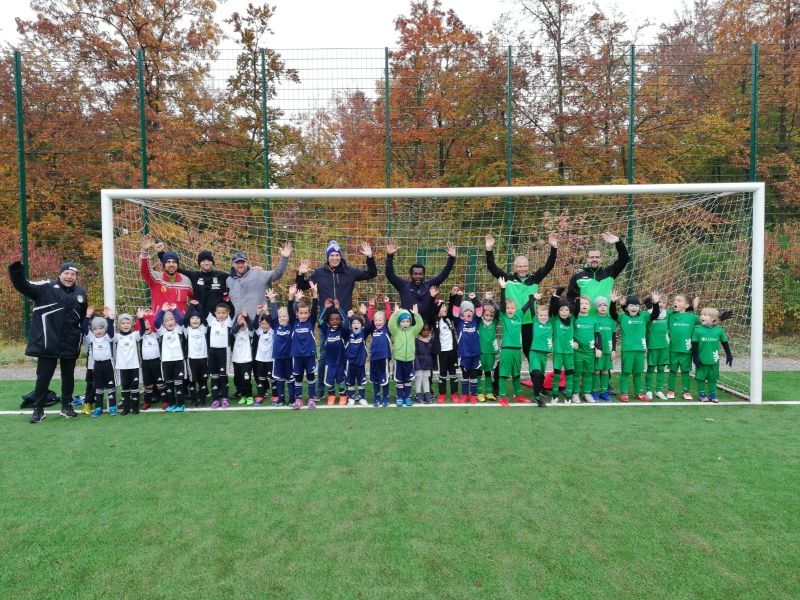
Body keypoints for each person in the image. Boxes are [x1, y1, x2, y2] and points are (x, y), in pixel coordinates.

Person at [296, 240, 377, 402]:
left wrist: (369, 258)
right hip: (326, 323)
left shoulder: (349, 272)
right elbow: (301, 286)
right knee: (325, 355)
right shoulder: (319, 274)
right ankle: (320, 389)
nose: (334, 257)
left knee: (346, 354)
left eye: (337, 254)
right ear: (327, 257)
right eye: (331, 255)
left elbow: (371, 273)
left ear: (341, 256)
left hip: (345, 322)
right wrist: (300, 274)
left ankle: (345, 389)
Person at [8, 260, 88, 423]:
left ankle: (67, 406)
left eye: (73, 274)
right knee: (43, 376)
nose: (69, 276)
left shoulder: (81, 293)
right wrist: (16, 270)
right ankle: (38, 408)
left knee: (69, 377)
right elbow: (23, 285)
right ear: (60, 274)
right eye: (66, 273)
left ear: (76, 277)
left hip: (70, 343)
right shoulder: (46, 287)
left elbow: (82, 316)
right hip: (47, 343)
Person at [485, 232, 558, 357]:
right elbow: (492, 267)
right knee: (509, 350)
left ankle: (535, 375)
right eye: (519, 266)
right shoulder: (508, 278)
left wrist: (554, 247)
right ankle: (498, 375)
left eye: (524, 266)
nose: (522, 269)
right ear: (515, 267)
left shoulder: (535, 278)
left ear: (528, 266)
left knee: (529, 351)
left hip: (528, 321)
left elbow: (549, 266)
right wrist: (489, 249)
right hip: (511, 321)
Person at [385, 240, 456, 323]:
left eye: (420, 274)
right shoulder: (403, 286)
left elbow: (443, 275)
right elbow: (390, 275)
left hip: (426, 327)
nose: (418, 276)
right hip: (408, 326)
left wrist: (451, 259)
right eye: (415, 274)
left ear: (424, 275)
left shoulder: (429, 285)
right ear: (411, 275)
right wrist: (389, 256)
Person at [610, 291, 662, 402]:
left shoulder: (643, 316)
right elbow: (613, 314)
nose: (634, 308)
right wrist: (613, 302)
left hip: (641, 350)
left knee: (638, 373)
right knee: (626, 372)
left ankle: (639, 393)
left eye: (636, 306)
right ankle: (624, 393)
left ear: (639, 307)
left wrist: (656, 303)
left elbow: (655, 315)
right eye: (631, 306)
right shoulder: (622, 317)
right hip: (628, 350)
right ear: (627, 307)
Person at [157, 246, 233, 317]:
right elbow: (175, 269)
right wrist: (161, 254)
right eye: (203, 261)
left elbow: (234, 276)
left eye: (209, 260)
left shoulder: (222, 275)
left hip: (218, 318)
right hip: (199, 318)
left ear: (212, 262)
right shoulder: (193, 275)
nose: (206, 263)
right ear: (199, 263)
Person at [566, 232, 630, 313]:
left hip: (605, 318)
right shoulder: (578, 274)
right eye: (591, 257)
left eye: (597, 257)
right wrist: (575, 312)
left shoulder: (609, 272)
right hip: (584, 319)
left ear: (601, 259)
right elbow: (570, 297)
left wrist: (618, 242)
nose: (594, 259)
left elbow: (624, 259)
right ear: (587, 259)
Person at [227, 243, 292, 320]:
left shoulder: (258, 273)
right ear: (233, 264)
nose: (240, 265)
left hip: (258, 323)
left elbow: (276, 274)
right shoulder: (228, 279)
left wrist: (284, 258)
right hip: (237, 324)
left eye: (242, 262)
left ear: (247, 262)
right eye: (237, 263)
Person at [497, 278, 530, 406]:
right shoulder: (504, 317)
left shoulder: (518, 317)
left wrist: (533, 298)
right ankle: (503, 397)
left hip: (517, 350)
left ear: (515, 309)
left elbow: (526, 306)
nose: (510, 310)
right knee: (504, 374)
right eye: (508, 308)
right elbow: (502, 304)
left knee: (516, 374)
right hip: (506, 350)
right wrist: (503, 288)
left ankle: (518, 395)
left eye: (512, 308)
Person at [692, 307, 733, 403]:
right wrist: (695, 357)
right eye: (702, 314)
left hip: (714, 360)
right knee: (701, 377)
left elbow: (725, 343)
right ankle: (701, 393)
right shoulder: (697, 330)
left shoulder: (719, 330)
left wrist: (729, 355)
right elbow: (694, 345)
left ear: (713, 319)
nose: (702, 316)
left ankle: (712, 394)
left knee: (713, 378)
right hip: (702, 359)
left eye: (705, 315)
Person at [140, 238, 193, 311]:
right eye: (168, 262)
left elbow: (195, 299)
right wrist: (145, 252)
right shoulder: (156, 278)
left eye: (174, 262)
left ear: (177, 265)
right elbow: (145, 270)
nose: (171, 264)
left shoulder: (186, 280)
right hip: (160, 321)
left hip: (180, 321)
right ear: (163, 265)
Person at [388, 303, 424, 407]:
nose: (405, 323)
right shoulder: (396, 331)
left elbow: (420, 325)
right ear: (399, 322)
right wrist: (395, 314)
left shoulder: (413, 331)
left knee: (408, 380)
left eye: (407, 321)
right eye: (403, 321)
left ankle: (407, 397)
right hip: (399, 360)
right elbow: (390, 324)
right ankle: (399, 397)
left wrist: (417, 315)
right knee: (399, 380)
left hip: (409, 359)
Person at [520, 293, 553, 408]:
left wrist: (555, 296)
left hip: (544, 355)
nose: (543, 317)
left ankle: (539, 390)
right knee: (537, 373)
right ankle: (537, 398)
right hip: (534, 352)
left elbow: (555, 310)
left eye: (545, 315)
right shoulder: (535, 322)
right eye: (541, 315)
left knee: (541, 376)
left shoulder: (551, 324)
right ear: (537, 316)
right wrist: (532, 299)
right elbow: (532, 308)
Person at [82, 310, 117, 417]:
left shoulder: (108, 337)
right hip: (97, 366)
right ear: (92, 330)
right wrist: (87, 316)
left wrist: (110, 319)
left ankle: (112, 407)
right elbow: (84, 328)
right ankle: (98, 408)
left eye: (101, 328)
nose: (98, 331)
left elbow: (110, 330)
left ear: (104, 329)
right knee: (99, 388)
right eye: (95, 329)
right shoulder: (91, 338)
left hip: (108, 365)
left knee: (111, 387)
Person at [290, 283, 319, 409]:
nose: (303, 315)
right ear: (297, 313)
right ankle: (299, 399)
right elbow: (289, 309)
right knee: (298, 378)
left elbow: (315, 308)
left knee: (311, 376)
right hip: (297, 356)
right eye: (301, 313)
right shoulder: (294, 322)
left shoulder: (311, 322)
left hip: (309, 355)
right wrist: (291, 297)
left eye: (305, 313)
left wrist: (315, 293)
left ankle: (312, 398)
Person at [667, 294, 701, 400]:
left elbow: (704, 322)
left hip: (686, 350)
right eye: (675, 300)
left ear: (686, 305)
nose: (675, 302)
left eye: (679, 300)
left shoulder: (692, 317)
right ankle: (671, 390)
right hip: (673, 349)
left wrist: (695, 308)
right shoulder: (670, 315)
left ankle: (686, 391)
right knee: (672, 370)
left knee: (685, 371)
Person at [450, 289, 482, 404]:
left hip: (475, 354)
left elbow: (479, 310)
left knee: (473, 375)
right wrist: (459, 297)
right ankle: (464, 394)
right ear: (461, 313)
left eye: (470, 310)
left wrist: (474, 299)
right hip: (464, 354)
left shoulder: (475, 321)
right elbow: (454, 311)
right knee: (465, 376)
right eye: (466, 310)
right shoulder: (459, 322)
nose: (468, 312)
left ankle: (473, 395)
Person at [267, 286, 297, 407]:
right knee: (279, 379)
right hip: (278, 357)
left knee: (290, 378)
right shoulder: (275, 325)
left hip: (289, 357)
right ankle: (281, 398)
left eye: (284, 316)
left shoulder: (292, 326)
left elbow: (291, 312)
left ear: (289, 318)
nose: (282, 318)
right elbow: (273, 315)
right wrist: (272, 301)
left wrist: (291, 297)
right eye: (280, 317)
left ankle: (292, 398)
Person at [154, 304, 187, 412]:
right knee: (169, 385)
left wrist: (175, 309)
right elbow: (156, 322)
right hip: (166, 362)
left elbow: (182, 319)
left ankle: (181, 404)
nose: (170, 322)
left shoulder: (178, 329)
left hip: (178, 361)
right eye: (167, 320)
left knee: (178, 384)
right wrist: (162, 310)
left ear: (175, 321)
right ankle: (172, 404)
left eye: (172, 319)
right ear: (164, 323)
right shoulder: (161, 331)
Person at [318, 299, 349, 406]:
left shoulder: (343, 331)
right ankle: (331, 395)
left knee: (341, 380)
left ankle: (343, 395)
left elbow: (346, 320)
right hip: (329, 363)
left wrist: (338, 309)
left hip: (340, 362)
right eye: (332, 320)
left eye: (337, 319)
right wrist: (325, 308)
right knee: (329, 381)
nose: (335, 321)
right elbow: (320, 319)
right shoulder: (326, 330)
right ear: (328, 322)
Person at [572, 295, 602, 403]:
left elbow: (598, 335)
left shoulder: (593, 320)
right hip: (577, 352)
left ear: (590, 306)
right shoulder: (574, 319)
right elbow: (568, 333)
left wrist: (599, 348)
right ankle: (575, 394)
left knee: (588, 373)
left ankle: (587, 393)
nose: (584, 305)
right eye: (581, 303)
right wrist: (572, 342)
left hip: (590, 352)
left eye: (586, 303)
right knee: (577, 372)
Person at [431, 286, 459, 403]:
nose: (445, 308)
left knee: (453, 372)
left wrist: (452, 296)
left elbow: (452, 306)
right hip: (442, 351)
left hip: (452, 350)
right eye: (443, 307)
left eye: (445, 307)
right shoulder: (435, 320)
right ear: (437, 311)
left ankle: (454, 393)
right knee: (442, 373)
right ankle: (442, 394)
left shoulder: (449, 319)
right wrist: (432, 298)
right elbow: (431, 309)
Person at [114, 310, 143, 415]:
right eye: (123, 323)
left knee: (135, 386)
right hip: (122, 366)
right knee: (125, 386)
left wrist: (141, 319)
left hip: (134, 365)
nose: (125, 325)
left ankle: (135, 408)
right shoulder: (117, 336)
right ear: (119, 325)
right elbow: (108, 333)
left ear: (131, 324)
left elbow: (143, 330)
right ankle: (126, 408)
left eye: (128, 323)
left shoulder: (135, 335)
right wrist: (109, 319)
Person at [365, 297, 393, 407]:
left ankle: (385, 398)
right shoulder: (373, 329)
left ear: (384, 321)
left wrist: (387, 303)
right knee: (375, 379)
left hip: (384, 358)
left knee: (384, 379)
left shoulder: (386, 328)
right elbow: (368, 319)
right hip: (374, 358)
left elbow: (390, 315)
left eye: (380, 320)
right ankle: (377, 398)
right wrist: (371, 306)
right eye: (376, 320)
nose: (377, 322)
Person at [138, 308, 166, 410]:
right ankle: (147, 402)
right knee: (148, 384)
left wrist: (149, 316)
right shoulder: (140, 337)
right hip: (145, 364)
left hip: (156, 362)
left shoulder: (156, 335)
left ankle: (165, 401)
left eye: (148, 324)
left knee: (160, 383)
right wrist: (142, 317)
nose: (146, 326)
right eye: (144, 325)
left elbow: (156, 322)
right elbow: (139, 325)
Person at [207, 302, 233, 409]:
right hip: (212, 352)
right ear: (215, 313)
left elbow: (231, 307)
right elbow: (205, 305)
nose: (221, 315)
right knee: (214, 376)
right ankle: (215, 399)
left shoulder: (228, 322)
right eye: (219, 313)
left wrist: (226, 298)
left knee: (223, 376)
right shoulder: (211, 321)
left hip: (224, 352)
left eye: (223, 313)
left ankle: (225, 398)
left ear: (227, 313)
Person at [183, 302, 210, 407]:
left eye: (197, 318)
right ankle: (194, 399)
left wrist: (198, 305)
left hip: (203, 358)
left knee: (203, 381)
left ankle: (202, 398)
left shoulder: (203, 328)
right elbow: (185, 319)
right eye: (193, 318)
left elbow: (203, 317)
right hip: (191, 359)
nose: (195, 320)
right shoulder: (187, 330)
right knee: (192, 381)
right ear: (190, 320)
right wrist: (190, 306)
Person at [644, 295, 670, 401]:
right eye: (659, 302)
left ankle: (658, 390)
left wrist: (693, 306)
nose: (661, 304)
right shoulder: (648, 315)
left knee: (661, 369)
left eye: (663, 302)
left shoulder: (668, 313)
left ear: (666, 304)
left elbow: (682, 311)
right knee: (650, 368)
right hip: (652, 346)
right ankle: (649, 390)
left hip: (665, 346)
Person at [476, 293, 500, 403]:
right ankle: (479, 392)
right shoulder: (479, 322)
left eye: (491, 316)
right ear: (483, 315)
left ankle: (489, 392)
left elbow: (498, 310)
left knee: (488, 372)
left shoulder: (494, 323)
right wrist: (485, 300)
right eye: (487, 315)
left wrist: (492, 301)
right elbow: (479, 309)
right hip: (481, 352)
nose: (489, 317)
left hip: (491, 352)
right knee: (479, 372)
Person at [592, 297, 616, 402]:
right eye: (600, 305)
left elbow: (614, 336)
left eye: (605, 305)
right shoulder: (594, 319)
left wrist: (614, 349)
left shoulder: (611, 320)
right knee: (596, 371)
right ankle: (594, 391)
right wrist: (596, 348)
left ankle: (603, 392)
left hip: (608, 350)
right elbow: (593, 335)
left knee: (605, 371)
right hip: (598, 350)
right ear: (597, 308)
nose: (603, 307)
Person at [344, 309, 368, 406]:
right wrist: (348, 318)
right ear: (351, 325)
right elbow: (344, 328)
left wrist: (365, 314)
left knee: (361, 381)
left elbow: (370, 326)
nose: (356, 325)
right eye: (354, 323)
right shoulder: (348, 333)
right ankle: (351, 398)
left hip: (360, 362)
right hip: (350, 363)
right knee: (350, 381)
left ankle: (362, 398)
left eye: (358, 323)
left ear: (361, 325)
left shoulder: (363, 333)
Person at [253, 304, 275, 406]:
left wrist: (266, 312)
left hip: (270, 360)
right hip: (260, 359)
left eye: (266, 323)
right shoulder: (259, 331)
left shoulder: (272, 331)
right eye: (262, 323)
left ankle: (275, 396)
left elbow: (273, 321)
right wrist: (257, 313)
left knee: (273, 378)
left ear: (269, 324)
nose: (264, 325)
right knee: (261, 378)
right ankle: (260, 395)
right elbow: (254, 324)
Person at [230, 311, 254, 404]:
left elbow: (251, 325)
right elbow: (234, 330)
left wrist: (246, 317)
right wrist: (239, 324)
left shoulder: (249, 332)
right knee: (239, 378)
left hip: (247, 360)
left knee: (246, 379)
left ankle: (249, 396)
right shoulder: (236, 333)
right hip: (237, 359)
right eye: (240, 319)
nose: (242, 321)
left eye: (244, 320)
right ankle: (243, 395)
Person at [414, 323, 435, 405]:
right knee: (419, 378)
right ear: (420, 331)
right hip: (418, 361)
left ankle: (427, 394)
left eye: (427, 330)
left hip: (428, 362)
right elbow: (415, 353)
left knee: (426, 378)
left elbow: (432, 353)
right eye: (424, 330)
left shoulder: (431, 340)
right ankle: (418, 394)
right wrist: (416, 363)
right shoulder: (416, 340)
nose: (425, 332)